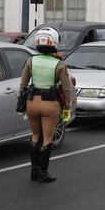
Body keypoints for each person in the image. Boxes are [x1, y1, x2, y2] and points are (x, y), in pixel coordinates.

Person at [19, 27, 73, 183]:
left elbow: (22, 85)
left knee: (35, 136)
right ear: (54, 42)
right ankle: (43, 173)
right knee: (47, 138)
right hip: (50, 104)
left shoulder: (30, 60)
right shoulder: (59, 64)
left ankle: (33, 171)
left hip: (32, 103)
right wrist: (67, 108)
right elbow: (66, 88)